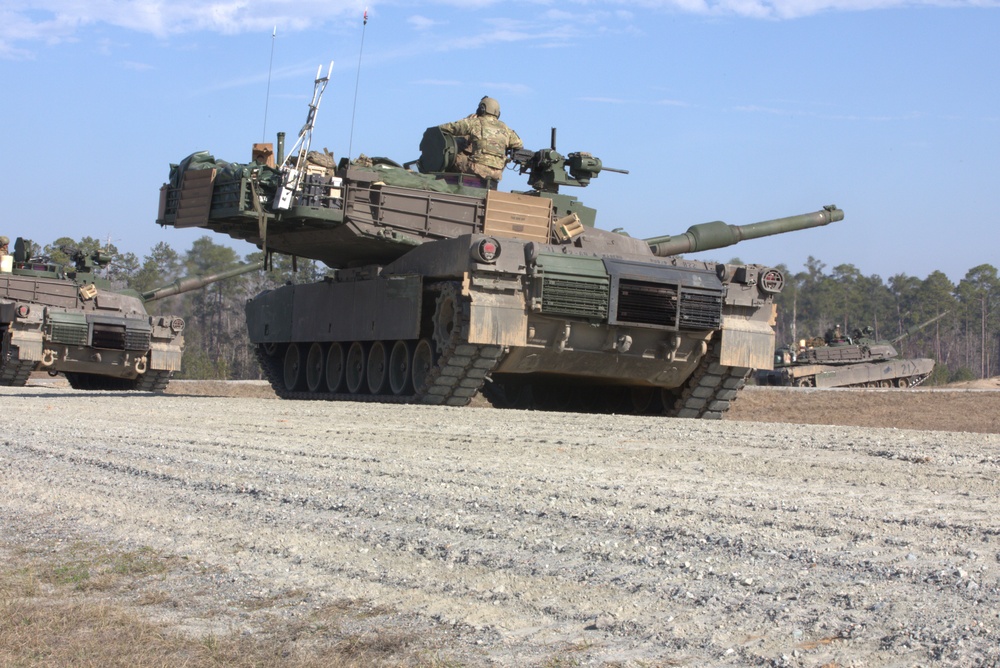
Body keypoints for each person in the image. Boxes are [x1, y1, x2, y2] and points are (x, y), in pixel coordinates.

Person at [438, 96, 523, 182]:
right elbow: (518, 144)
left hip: (476, 170)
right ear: (498, 113)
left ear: (482, 109)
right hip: (497, 173)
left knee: (453, 157)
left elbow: (447, 128)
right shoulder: (505, 128)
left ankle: (447, 185)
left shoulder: (475, 122)